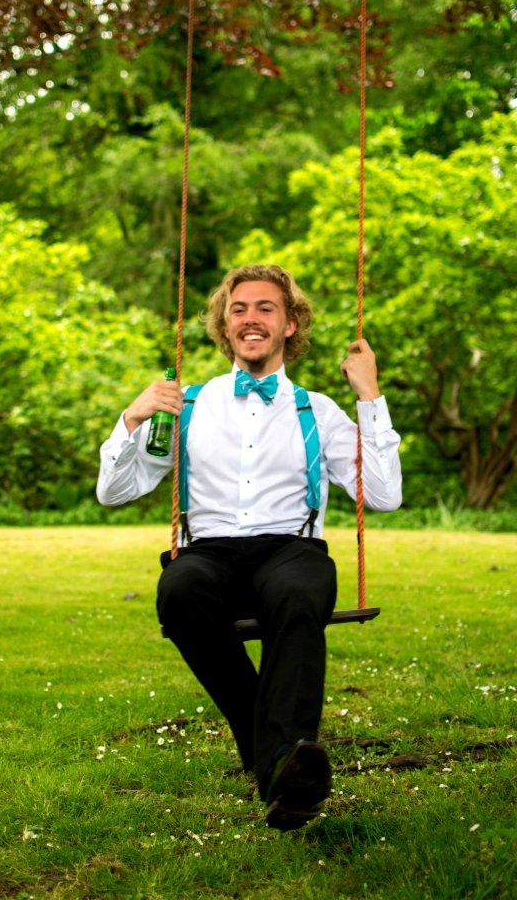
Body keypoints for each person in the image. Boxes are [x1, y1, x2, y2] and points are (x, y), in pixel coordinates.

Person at [97, 264, 402, 831]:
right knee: (179, 589)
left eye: (266, 308)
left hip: (291, 548)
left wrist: (369, 398)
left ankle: (286, 766)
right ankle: (276, 748)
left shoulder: (318, 409)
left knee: (296, 590)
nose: (251, 318)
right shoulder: (187, 405)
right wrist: (131, 418)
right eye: (239, 309)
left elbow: (382, 495)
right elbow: (115, 491)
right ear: (224, 324)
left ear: (290, 324)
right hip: (209, 552)